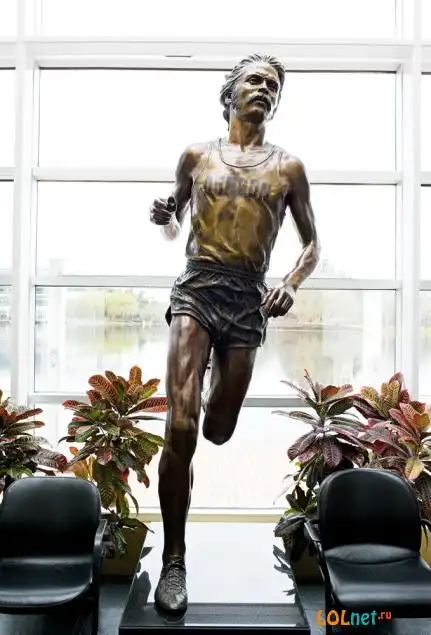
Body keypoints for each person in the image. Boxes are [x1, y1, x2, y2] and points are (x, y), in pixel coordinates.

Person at [148, 52, 320, 613]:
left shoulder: (288, 168)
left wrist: (290, 282)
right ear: (230, 93)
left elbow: (312, 245)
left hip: (248, 300)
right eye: (255, 80)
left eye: (273, 85)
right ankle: (174, 561)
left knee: (217, 429)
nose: (265, 88)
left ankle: (207, 388)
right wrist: (165, 218)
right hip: (196, 288)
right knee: (180, 427)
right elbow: (173, 225)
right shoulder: (196, 157)